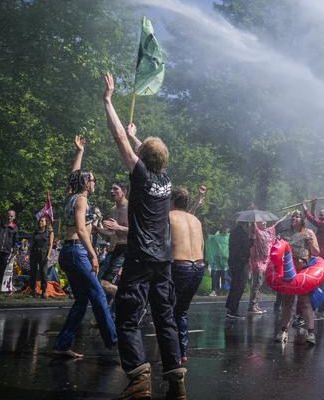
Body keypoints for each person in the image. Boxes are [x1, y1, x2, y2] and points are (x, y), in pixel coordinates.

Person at [103, 73, 186, 399]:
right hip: (163, 259)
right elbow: (142, 151)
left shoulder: (140, 175)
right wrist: (139, 139)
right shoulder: (164, 179)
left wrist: (108, 101)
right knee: (164, 316)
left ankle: (138, 379)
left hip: (140, 256)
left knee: (127, 316)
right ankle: (176, 380)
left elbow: (120, 140)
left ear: (144, 159)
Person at [52, 135, 117, 358]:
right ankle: (115, 340)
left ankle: (62, 345)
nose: (95, 183)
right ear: (86, 183)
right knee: (98, 294)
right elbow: (81, 229)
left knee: (81, 300)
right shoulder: (81, 200)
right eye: (93, 180)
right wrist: (93, 255)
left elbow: (72, 177)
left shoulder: (69, 196)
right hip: (78, 250)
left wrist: (79, 152)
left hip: (67, 253)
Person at [169, 187, 206, 363]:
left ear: (172, 201)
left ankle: (172, 353)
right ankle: (182, 352)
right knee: (181, 311)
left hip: (180, 266)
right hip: (198, 266)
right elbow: (202, 247)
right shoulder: (196, 220)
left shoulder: (169, 217)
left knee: (167, 310)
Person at [275, 210, 320, 345]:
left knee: (305, 302)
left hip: (302, 271)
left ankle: (310, 333)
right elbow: (277, 252)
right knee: (287, 303)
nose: (294, 218)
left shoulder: (309, 233)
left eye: (297, 216)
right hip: (288, 272)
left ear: (302, 219)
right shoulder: (284, 234)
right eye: (293, 216)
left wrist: (311, 242)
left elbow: (317, 252)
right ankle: (283, 331)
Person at [248, 213, 289, 314]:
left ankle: (255, 305)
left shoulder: (268, 231)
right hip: (258, 262)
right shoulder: (258, 232)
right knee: (257, 283)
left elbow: (277, 223)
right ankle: (252, 305)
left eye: (265, 221)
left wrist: (286, 216)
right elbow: (253, 225)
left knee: (259, 284)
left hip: (266, 262)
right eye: (262, 222)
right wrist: (253, 217)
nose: (264, 223)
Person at [97, 182, 129, 302]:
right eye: (111, 188)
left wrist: (118, 227)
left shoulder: (131, 208)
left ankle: (127, 300)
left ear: (124, 192)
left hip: (129, 249)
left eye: (115, 189)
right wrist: (99, 230)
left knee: (106, 282)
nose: (111, 191)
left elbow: (138, 232)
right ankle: (110, 314)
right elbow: (112, 233)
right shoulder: (113, 209)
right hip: (116, 249)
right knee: (102, 282)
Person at [226, 221, 252, 319]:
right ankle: (233, 309)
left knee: (235, 285)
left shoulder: (235, 232)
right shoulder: (240, 233)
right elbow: (242, 248)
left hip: (235, 262)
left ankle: (231, 307)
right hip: (239, 263)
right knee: (239, 286)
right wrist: (250, 242)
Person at [28, 216, 54, 298]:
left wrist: (48, 255)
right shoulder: (35, 232)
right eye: (40, 221)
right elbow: (31, 244)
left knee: (43, 272)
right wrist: (28, 254)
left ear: (46, 223)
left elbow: (50, 245)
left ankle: (44, 291)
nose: (40, 222)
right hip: (34, 252)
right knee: (33, 272)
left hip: (43, 253)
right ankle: (33, 290)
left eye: (42, 221)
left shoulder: (49, 232)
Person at [206, 226, 230, 297]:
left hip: (226, 261)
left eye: (227, 228)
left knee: (225, 277)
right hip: (216, 261)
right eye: (225, 228)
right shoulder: (215, 237)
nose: (226, 229)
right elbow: (208, 239)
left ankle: (225, 291)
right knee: (215, 276)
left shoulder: (229, 237)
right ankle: (215, 290)